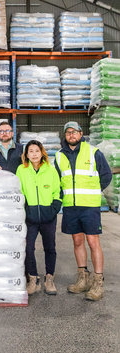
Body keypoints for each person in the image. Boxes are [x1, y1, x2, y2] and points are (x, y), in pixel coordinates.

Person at [55, 122, 112, 301]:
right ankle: (83, 279)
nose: (71, 135)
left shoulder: (93, 152)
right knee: (77, 241)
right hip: (71, 207)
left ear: (81, 134)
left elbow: (106, 175)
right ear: (65, 136)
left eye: (75, 132)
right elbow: (57, 180)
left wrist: (95, 192)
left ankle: (98, 282)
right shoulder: (59, 156)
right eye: (68, 132)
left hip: (89, 206)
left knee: (93, 242)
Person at [16, 140, 62, 296]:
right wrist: (25, 211)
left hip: (48, 217)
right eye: (31, 151)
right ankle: (33, 279)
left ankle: (49, 278)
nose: (34, 154)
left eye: (37, 151)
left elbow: (58, 191)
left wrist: (53, 209)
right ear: (26, 155)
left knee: (50, 248)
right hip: (30, 218)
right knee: (28, 248)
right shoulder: (22, 170)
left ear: (42, 153)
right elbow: (18, 192)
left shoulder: (51, 170)